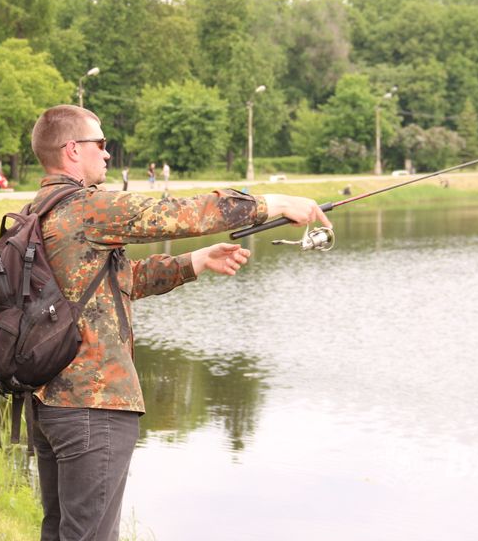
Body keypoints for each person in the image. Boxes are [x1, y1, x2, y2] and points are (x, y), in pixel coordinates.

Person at [27, 104, 331, 541]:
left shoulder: (38, 210)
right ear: (73, 150)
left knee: (60, 533)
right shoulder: (86, 209)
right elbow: (178, 213)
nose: (108, 154)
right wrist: (273, 204)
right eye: (101, 144)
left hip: (49, 403)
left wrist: (196, 261)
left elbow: (116, 281)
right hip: (94, 405)